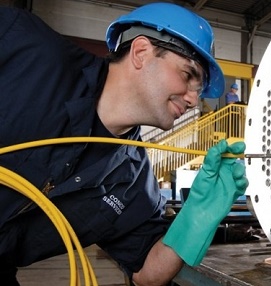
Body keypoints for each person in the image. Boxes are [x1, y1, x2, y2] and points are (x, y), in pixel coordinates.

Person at [0, 3, 248, 286]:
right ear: (141, 52)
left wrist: (200, 214)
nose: (194, 100)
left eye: (199, 89)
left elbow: (147, 272)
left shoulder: (132, 183)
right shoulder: (22, 47)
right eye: (188, 75)